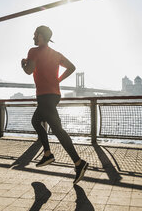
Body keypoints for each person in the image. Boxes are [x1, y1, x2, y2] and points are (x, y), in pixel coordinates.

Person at [21, 25, 88, 184]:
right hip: (54, 95)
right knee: (37, 121)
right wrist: (58, 80)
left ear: (40, 35)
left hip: (44, 96)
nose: (33, 37)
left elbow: (29, 71)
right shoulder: (56, 54)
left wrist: (23, 63)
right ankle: (48, 154)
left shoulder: (33, 51)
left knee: (56, 129)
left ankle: (78, 163)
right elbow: (72, 67)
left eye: (34, 34)